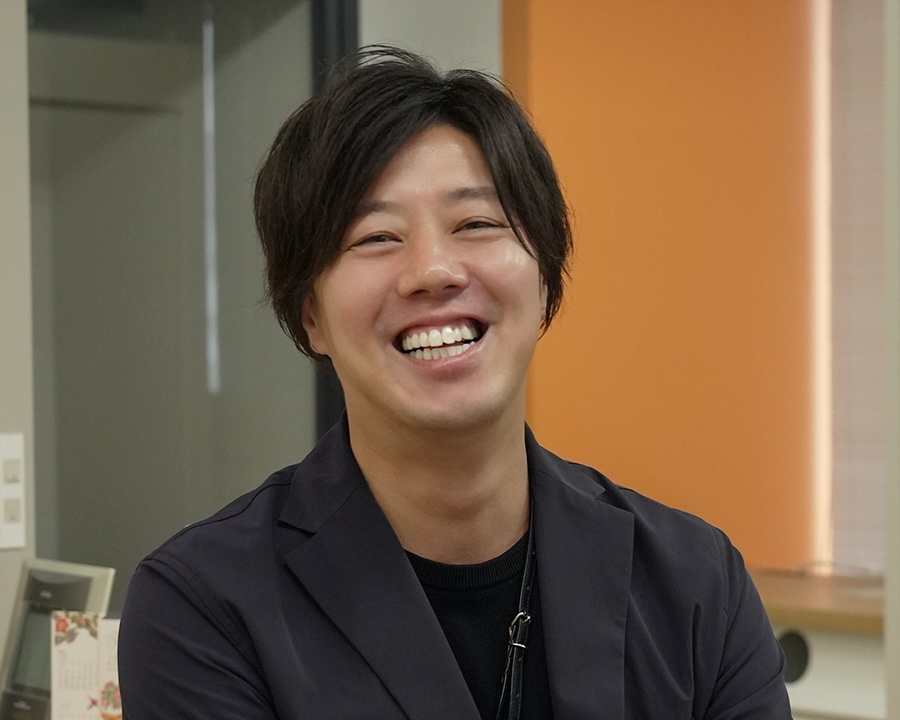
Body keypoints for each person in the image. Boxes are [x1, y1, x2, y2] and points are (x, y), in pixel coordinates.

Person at [118, 46, 791, 719]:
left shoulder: (697, 585)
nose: (433, 271)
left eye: (476, 224)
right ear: (311, 315)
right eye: (376, 237)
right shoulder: (203, 607)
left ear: (545, 280)